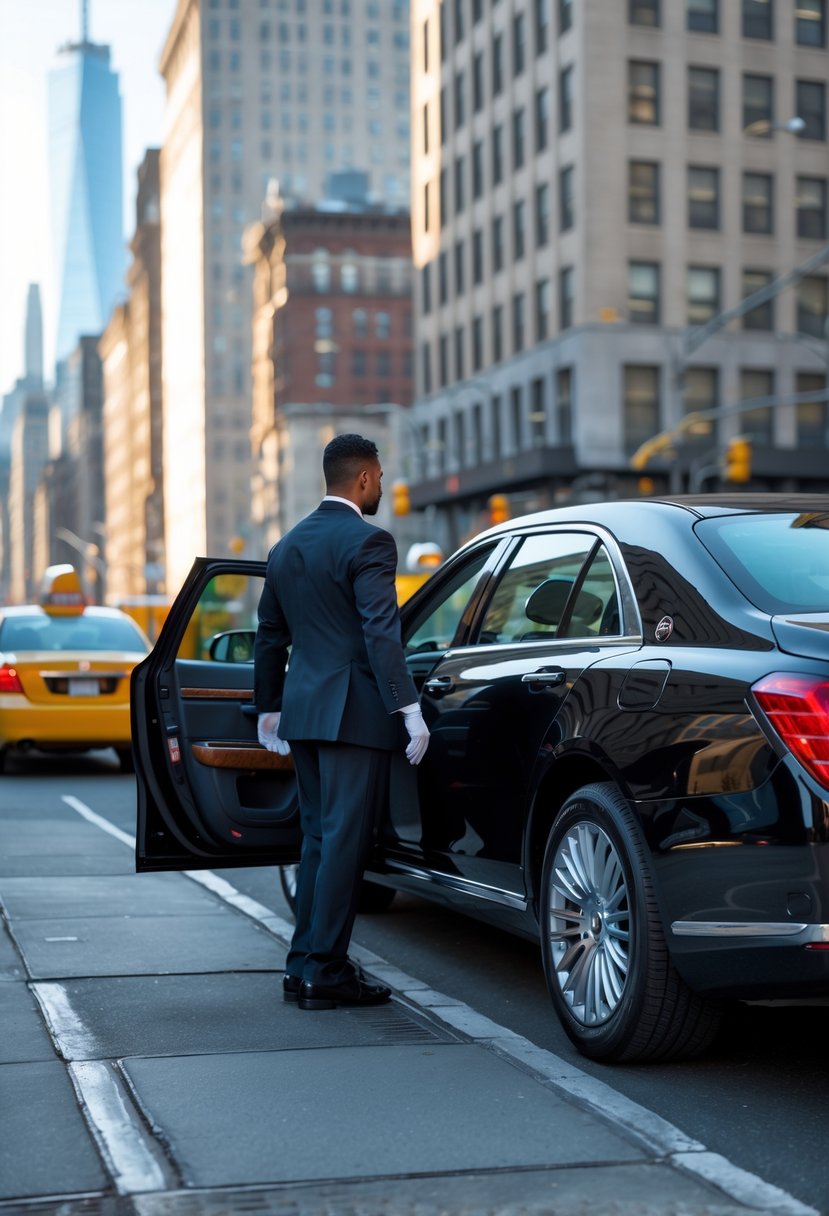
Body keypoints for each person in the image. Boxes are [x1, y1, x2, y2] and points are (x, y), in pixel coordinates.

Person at [254, 433, 430, 1010]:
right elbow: (383, 632)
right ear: (361, 478)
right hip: (354, 716)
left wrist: (269, 710)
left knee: (316, 841)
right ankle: (327, 971)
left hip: (302, 715)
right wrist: (410, 709)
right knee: (345, 845)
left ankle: (302, 965)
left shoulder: (285, 546)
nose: (381, 485)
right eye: (379, 476)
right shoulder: (370, 542)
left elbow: (270, 637)